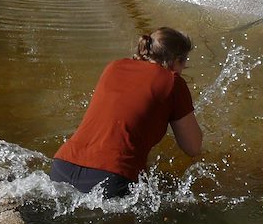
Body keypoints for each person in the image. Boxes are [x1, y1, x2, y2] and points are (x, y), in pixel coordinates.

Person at [50, 27, 204, 197]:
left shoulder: (114, 66)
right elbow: (193, 147)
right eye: (184, 64)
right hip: (111, 176)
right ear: (176, 61)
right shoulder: (172, 82)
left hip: (62, 166)